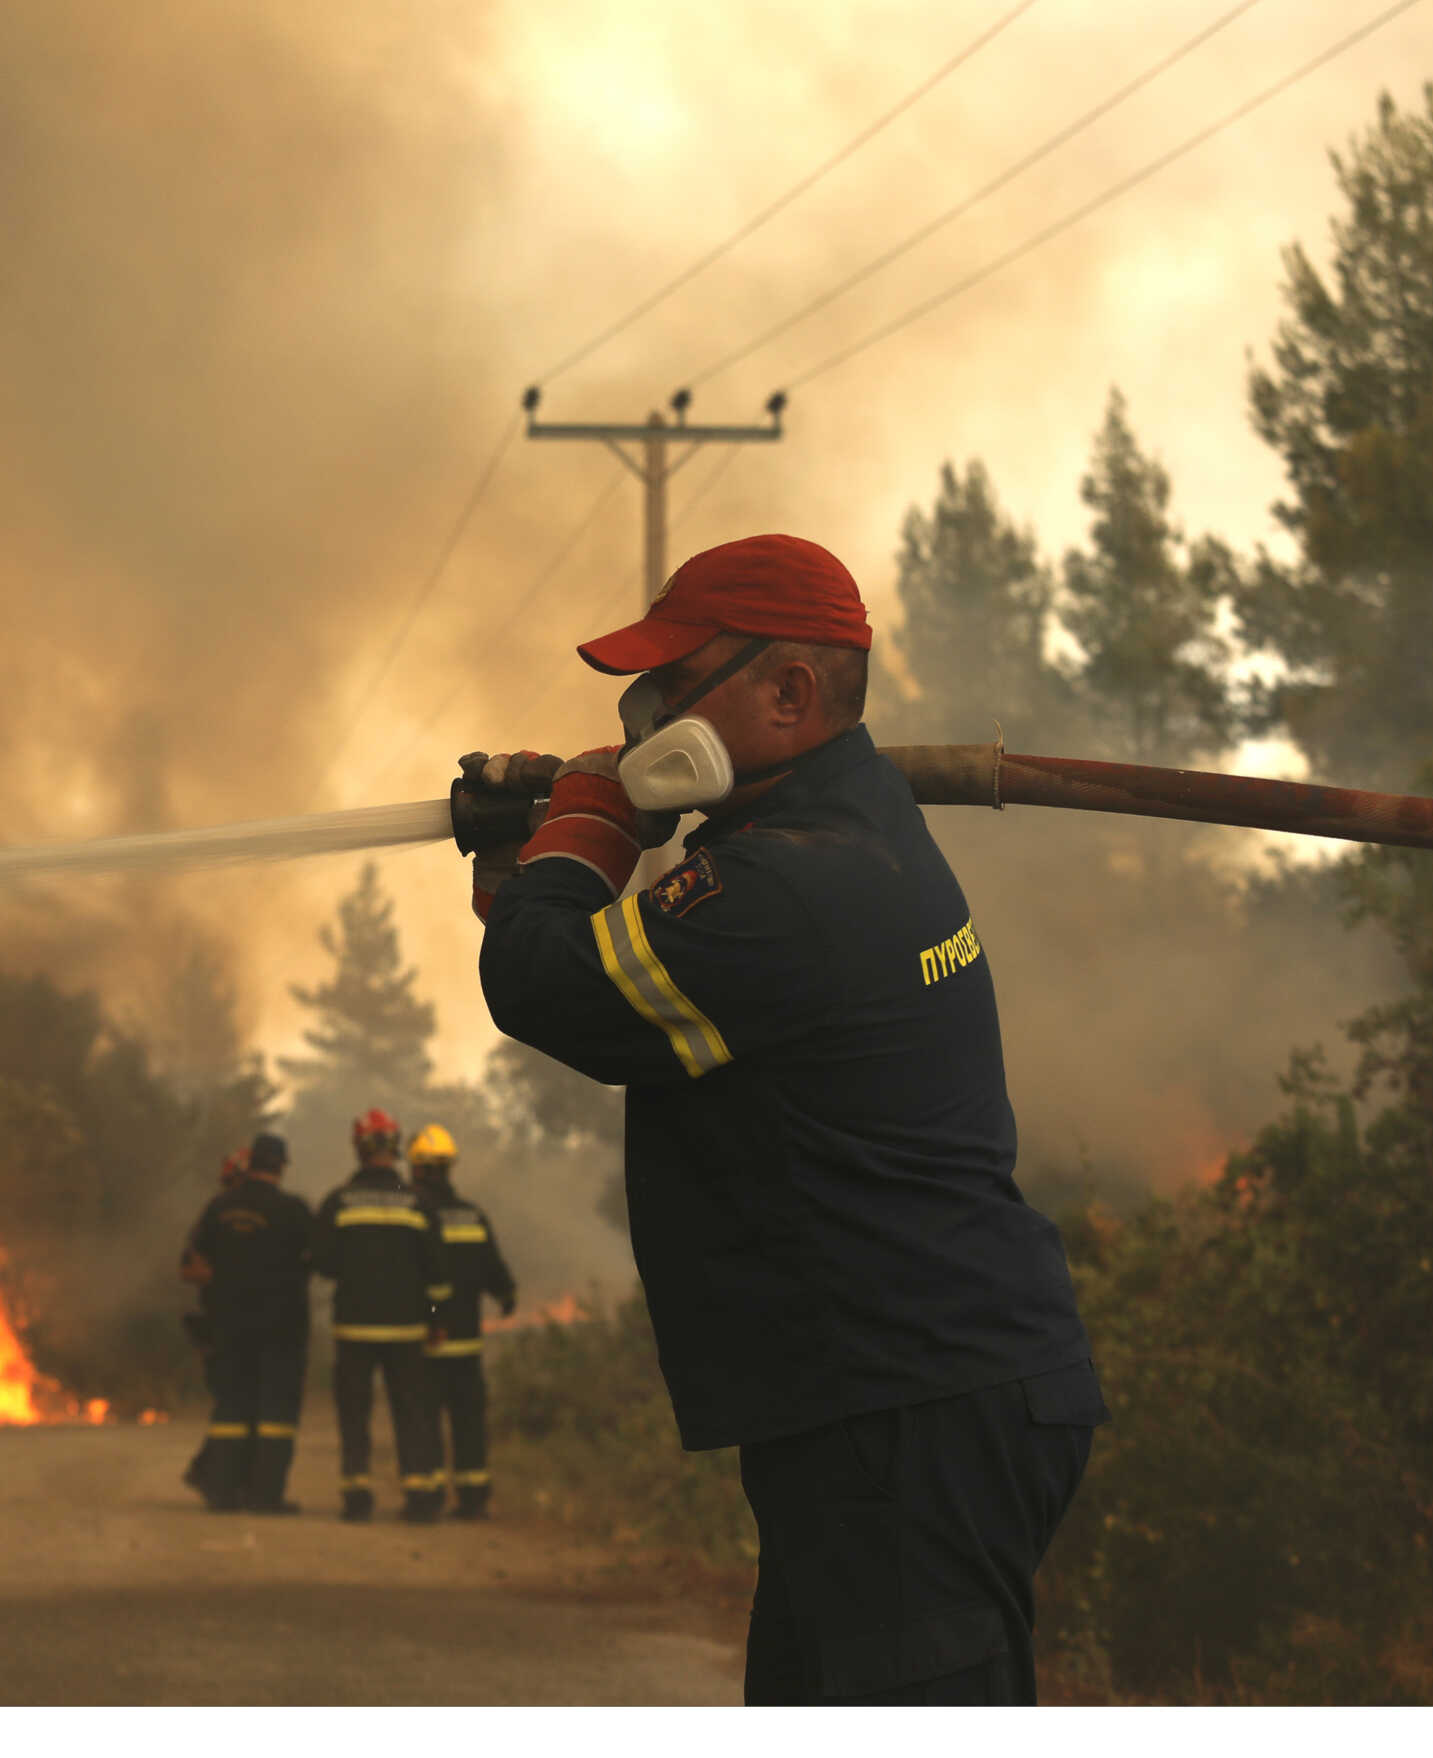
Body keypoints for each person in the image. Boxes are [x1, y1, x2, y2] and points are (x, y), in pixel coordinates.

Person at [467, 532, 1106, 1705]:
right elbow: (579, 962)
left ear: (790, 691)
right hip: (909, 1396)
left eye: (670, 684)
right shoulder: (837, 829)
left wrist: (584, 828)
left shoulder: (786, 889)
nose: (642, 712)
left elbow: (548, 985)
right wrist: (534, 856)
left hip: (908, 1413)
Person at [311, 1108, 452, 1523]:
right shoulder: (418, 1202)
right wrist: (435, 1318)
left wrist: (353, 1270)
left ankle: (357, 1496)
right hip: (408, 1330)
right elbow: (438, 1275)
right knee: (411, 1410)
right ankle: (420, 1497)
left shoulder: (338, 1201)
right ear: (395, 1148)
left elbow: (322, 1263)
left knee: (354, 1413)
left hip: (353, 1327)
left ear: (359, 1148)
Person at [177, 1133, 315, 1512]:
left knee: (232, 1409)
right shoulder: (294, 1210)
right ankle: (265, 1496)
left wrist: (225, 1279)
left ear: (251, 1162)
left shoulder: (219, 1208)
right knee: (275, 1415)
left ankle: (221, 1491)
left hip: (229, 1327)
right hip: (280, 1329)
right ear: (281, 1166)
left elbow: (191, 1266)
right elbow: (321, 1258)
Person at [404, 1124, 516, 1520]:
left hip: (427, 1337)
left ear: (416, 1168)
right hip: (467, 1341)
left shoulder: (414, 1215)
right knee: (468, 1420)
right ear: (449, 1168)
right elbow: (494, 1271)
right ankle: (473, 1498)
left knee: (425, 1419)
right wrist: (506, 1296)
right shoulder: (473, 1214)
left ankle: (428, 1497)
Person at [181, 1149, 256, 1500]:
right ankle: (213, 1475)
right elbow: (188, 1268)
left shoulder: (260, 1217)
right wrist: (226, 1277)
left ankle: (218, 1474)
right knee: (233, 1402)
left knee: (240, 1403)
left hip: (251, 1323)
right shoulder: (213, 1217)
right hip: (220, 1324)